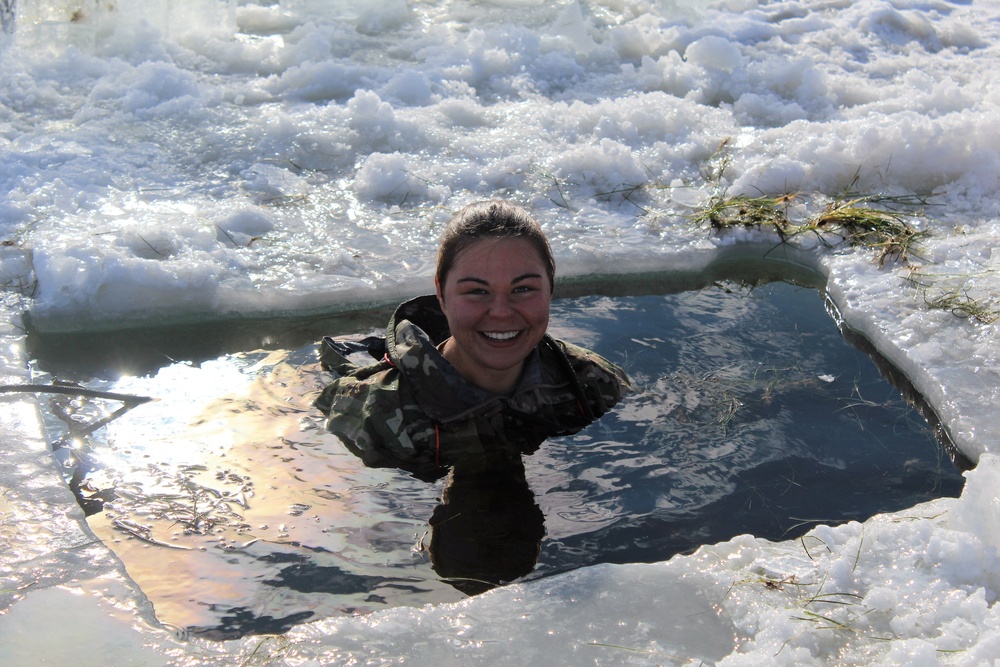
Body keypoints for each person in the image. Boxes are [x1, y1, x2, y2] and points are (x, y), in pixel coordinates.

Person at [314, 200, 630, 480]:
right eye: (477, 291)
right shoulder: (371, 411)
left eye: (523, 289)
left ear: (550, 288)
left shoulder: (591, 383)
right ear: (441, 293)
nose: (502, 313)